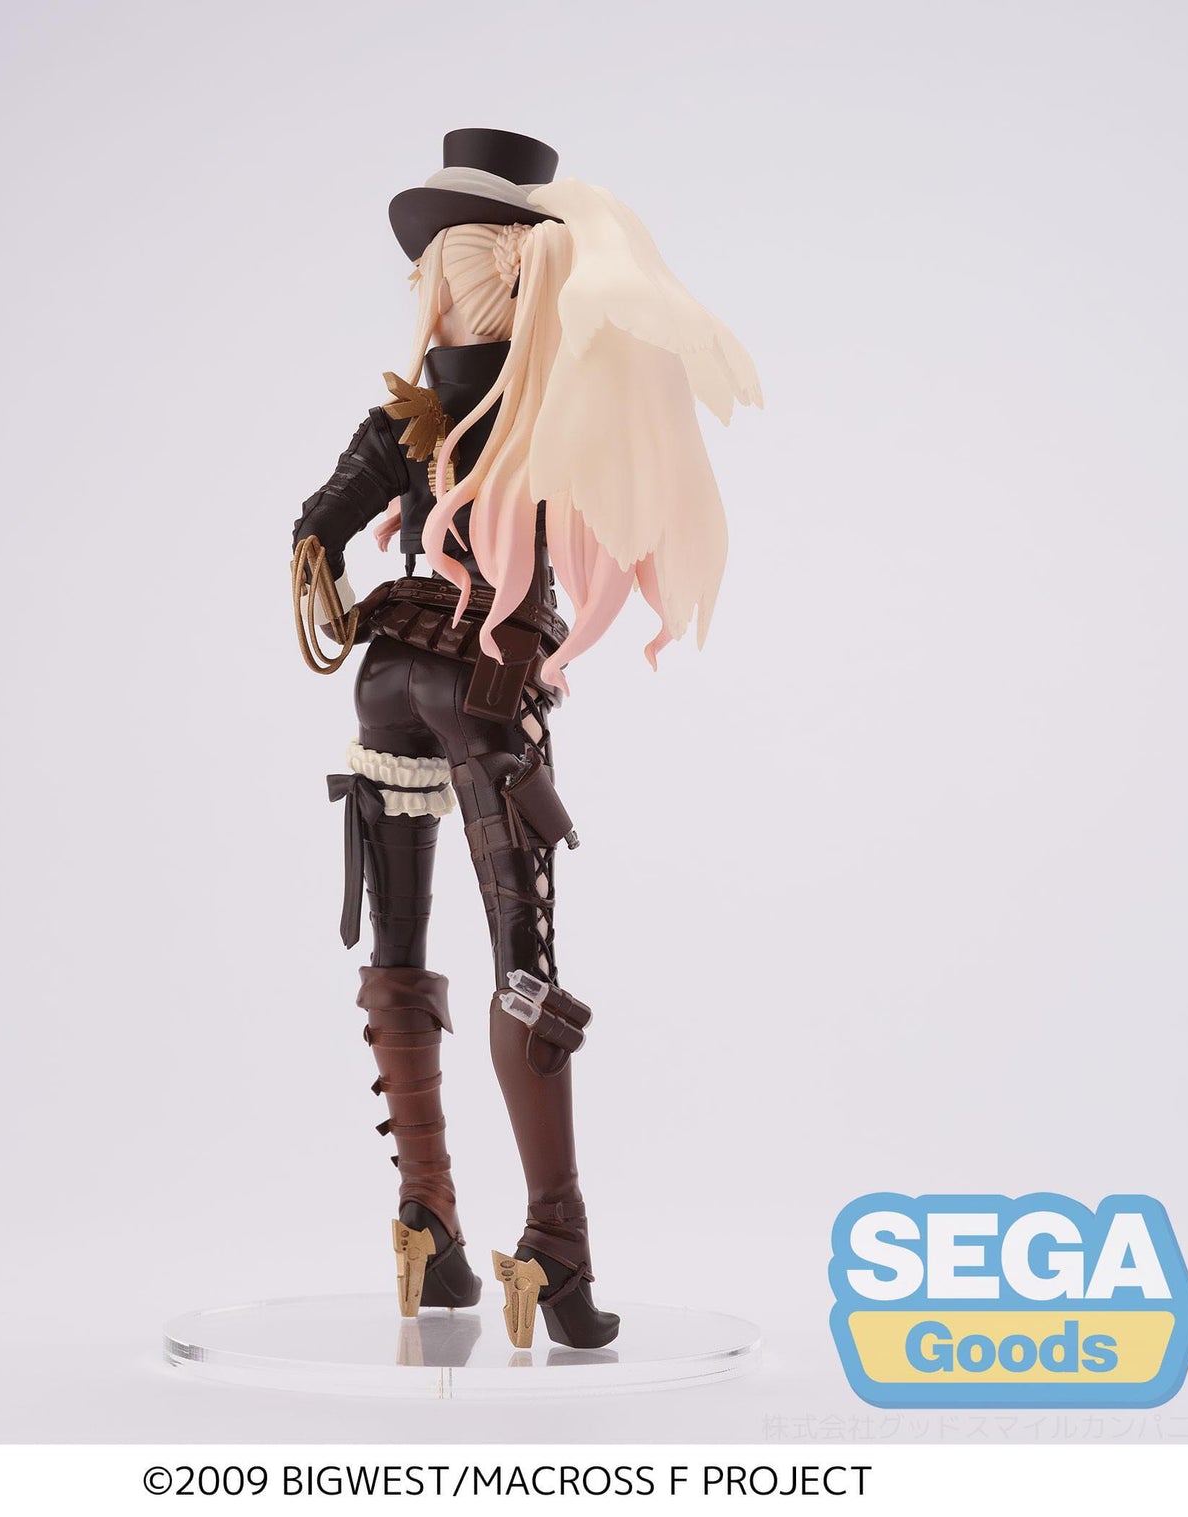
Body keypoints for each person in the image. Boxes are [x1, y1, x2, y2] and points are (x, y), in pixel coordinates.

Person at [291, 129, 759, 1350]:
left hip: (385, 675)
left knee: (398, 941)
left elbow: (317, 522)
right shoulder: (559, 406)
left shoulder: (414, 408)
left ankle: (427, 1221)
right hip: (488, 687)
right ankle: (554, 1244)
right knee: (523, 964)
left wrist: (330, 565)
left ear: (449, 282)